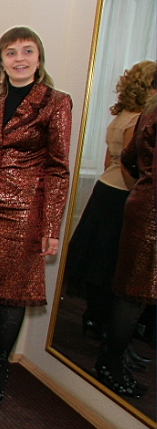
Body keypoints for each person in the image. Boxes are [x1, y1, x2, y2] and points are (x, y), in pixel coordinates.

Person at [0, 27, 72, 403]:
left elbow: (58, 169)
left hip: (25, 211)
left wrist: (51, 225)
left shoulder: (56, 102)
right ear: (0, 61)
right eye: (11, 52)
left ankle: (0, 367)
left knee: (12, 294)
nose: (19, 58)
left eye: (27, 51)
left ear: (39, 59)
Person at [64, 61, 156, 345]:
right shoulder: (138, 119)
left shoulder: (121, 117)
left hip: (105, 188)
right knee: (111, 265)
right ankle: (102, 323)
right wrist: (138, 196)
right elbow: (131, 166)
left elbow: (109, 162)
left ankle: (95, 317)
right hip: (121, 194)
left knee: (100, 261)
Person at [95, 98, 156, 398]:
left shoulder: (150, 110)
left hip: (142, 204)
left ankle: (114, 357)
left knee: (133, 290)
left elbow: (129, 159)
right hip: (151, 212)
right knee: (134, 292)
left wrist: (140, 189)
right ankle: (111, 361)